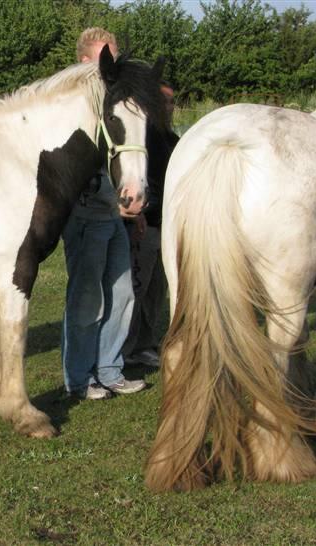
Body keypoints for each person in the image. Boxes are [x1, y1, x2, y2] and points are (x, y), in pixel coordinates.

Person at [61, 28, 147, 400]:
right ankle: (78, 379)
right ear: (83, 63)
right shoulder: (69, 107)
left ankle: (110, 370)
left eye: (114, 57)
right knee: (86, 298)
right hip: (84, 216)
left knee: (123, 293)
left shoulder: (112, 102)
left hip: (113, 215)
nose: (111, 66)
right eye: (104, 58)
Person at [123, 83, 180, 368]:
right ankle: (126, 347)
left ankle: (145, 344)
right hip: (147, 223)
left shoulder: (173, 139)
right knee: (137, 287)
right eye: (165, 102)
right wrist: (141, 215)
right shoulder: (143, 139)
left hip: (167, 226)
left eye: (172, 102)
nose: (169, 107)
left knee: (157, 288)